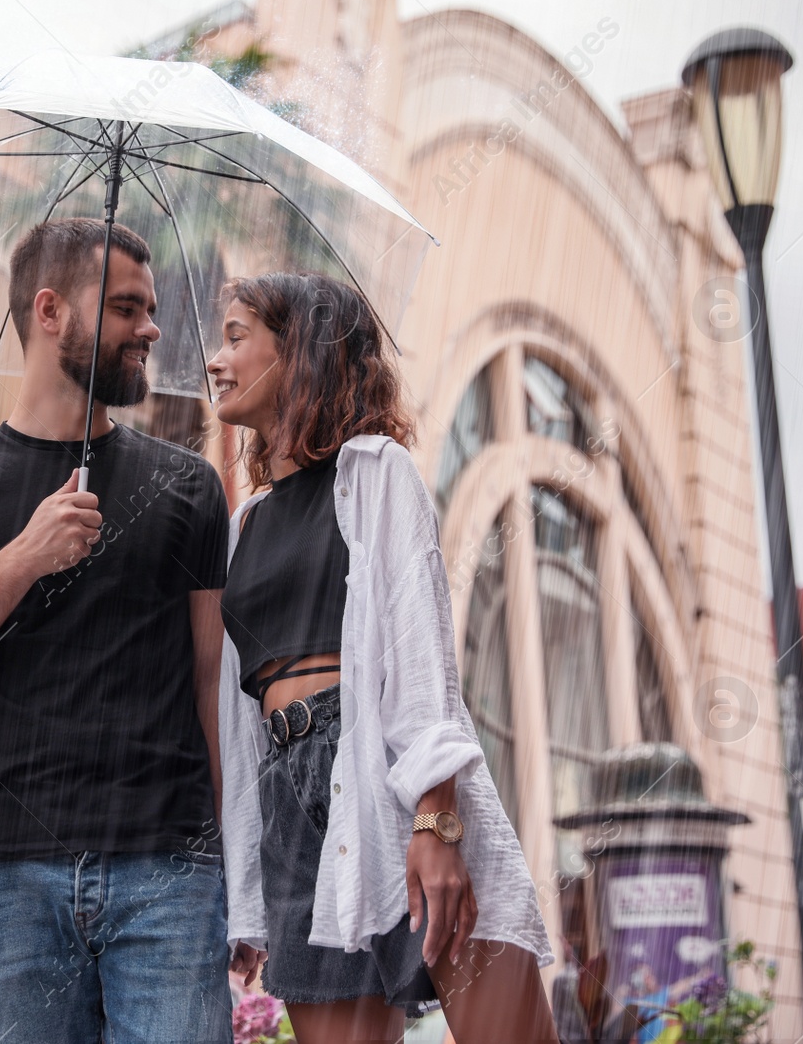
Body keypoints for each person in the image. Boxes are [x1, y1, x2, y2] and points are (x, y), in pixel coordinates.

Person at [0, 218, 234, 1043]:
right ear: (50, 311)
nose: (153, 327)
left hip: (167, 869)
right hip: (8, 873)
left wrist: (227, 867)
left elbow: (214, 694)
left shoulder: (190, 488)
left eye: (152, 307)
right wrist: (24, 556)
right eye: (128, 307)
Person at [209, 272, 559, 1043]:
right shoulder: (244, 525)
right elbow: (240, 731)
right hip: (291, 806)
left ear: (296, 350)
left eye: (236, 336)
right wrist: (247, 893)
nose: (215, 358)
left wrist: (437, 823)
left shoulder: (374, 472)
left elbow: (420, 653)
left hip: (391, 777)